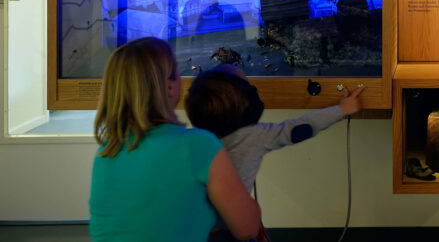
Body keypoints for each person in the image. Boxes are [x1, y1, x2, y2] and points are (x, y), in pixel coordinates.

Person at [89, 37, 261, 242]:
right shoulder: (198, 145)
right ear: (169, 86)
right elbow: (248, 228)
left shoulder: (105, 152)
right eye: (177, 71)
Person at [185, 64, 364, 195]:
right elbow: (299, 129)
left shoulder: (191, 140)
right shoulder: (254, 136)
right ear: (249, 103)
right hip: (233, 225)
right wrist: (342, 109)